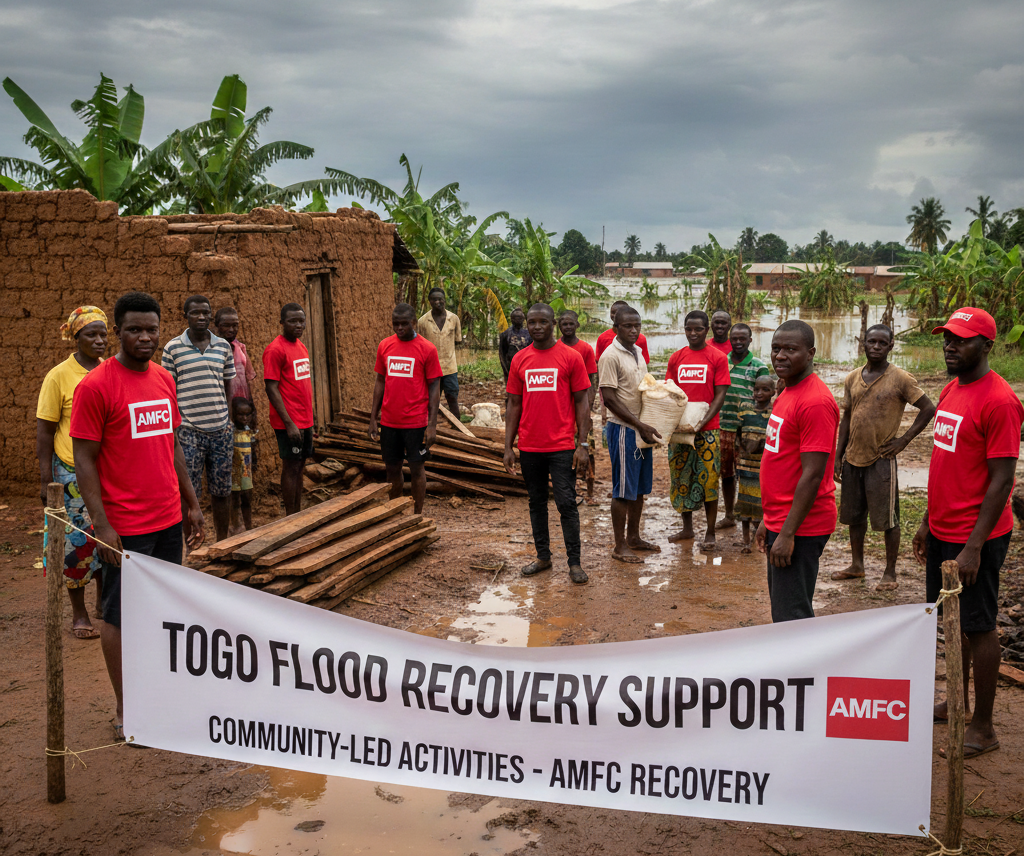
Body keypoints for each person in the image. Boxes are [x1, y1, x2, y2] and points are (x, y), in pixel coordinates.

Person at [70, 291, 205, 742]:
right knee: (119, 616)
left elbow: (173, 445)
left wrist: (191, 502)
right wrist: (102, 525)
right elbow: (84, 459)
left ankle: (162, 693)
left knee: (164, 611)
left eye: (151, 329)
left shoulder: (165, 380)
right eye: (134, 329)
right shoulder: (96, 387)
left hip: (167, 518)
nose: (144, 337)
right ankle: (127, 708)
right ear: (118, 332)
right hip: (124, 527)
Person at [912, 307, 1023, 760]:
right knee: (948, 619)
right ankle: (954, 700)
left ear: (987, 346)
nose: (950, 345)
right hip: (942, 529)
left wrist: (974, 546)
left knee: (978, 626)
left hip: (976, 538)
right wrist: (925, 520)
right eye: (947, 338)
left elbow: (1001, 481)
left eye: (961, 339)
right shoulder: (953, 388)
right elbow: (945, 463)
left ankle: (982, 725)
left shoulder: (1000, 401)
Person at [833, 324, 935, 590]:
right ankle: (857, 565)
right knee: (854, 517)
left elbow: (927, 408)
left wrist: (903, 440)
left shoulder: (900, 378)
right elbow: (847, 417)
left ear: (891, 346)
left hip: (881, 459)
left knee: (888, 519)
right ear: (863, 344)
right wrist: (838, 455)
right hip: (853, 458)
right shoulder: (853, 377)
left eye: (882, 343)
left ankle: (890, 572)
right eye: (871, 342)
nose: (876, 347)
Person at [755, 320, 839, 623]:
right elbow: (783, 460)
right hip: (782, 518)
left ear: (811, 352)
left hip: (803, 524)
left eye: (791, 349)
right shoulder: (788, 391)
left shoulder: (815, 401)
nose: (780, 356)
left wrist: (788, 532)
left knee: (793, 616)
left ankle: (804, 671)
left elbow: (813, 475)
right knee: (784, 610)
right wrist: (769, 519)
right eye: (776, 349)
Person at [504, 304, 592, 584]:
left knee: (567, 504)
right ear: (526, 325)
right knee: (536, 502)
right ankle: (543, 557)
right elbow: (514, 404)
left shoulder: (570, 357)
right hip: (530, 446)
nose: (537, 327)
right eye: (532, 322)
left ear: (554, 323)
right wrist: (508, 446)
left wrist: (583, 444)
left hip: (563, 446)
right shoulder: (520, 359)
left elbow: (582, 402)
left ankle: (574, 563)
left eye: (543, 322)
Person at [36, 306, 108, 639]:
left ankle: (103, 606)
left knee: (107, 542)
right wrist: (46, 479)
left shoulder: (110, 371)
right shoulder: (59, 376)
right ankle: (79, 614)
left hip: (108, 473)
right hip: (71, 476)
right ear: (75, 337)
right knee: (75, 547)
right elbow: (45, 431)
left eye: (103, 333)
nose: (99, 340)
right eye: (91, 334)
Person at [161, 295, 236, 542]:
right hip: (188, 431)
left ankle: (222, 542)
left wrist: (228, 420)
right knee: (188, 491)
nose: (201, 317)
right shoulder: (173, 348)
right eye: (195, 313)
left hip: (221, 430)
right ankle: (191, 543)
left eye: (205, 312)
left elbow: (228, 386)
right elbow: (168, 390)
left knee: (222, 491)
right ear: (186, 316)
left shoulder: (224, 347)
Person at [598, 306, 662, 563]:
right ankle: (619, 545)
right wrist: (639, 424)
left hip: (640, 428)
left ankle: (634, 537)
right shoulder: (610, 356)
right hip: (623, 429)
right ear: (616, 327)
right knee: (623, 489)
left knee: (638, 489)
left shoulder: (637, 352)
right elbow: (610, 399)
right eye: (627, 326)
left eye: (637, 325)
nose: (633, 330)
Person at [665, 310, 731, 549]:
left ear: (707, 330)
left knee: (709, 480)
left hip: (708, 430)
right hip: (680, 430)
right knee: (681, 476)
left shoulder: (717, 358)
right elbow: (670, 392)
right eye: (689, 329)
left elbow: (720, 394)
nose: (693, 333)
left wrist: (703, 422)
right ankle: (687, 528)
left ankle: (710, 532)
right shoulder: (676, 358)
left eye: (698, 329)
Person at [368, 303, 442, 514]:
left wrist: (432, 424)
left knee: (417, 468)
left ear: (414, 323)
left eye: (404, 324)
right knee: (392, 470)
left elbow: (435, 386)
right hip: (390, 422)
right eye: (395, 324)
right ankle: (396, 512)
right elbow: (380, 382)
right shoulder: (385, 346)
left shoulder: (427, 349)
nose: (399, 328)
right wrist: (374, 417)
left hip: (416, 423)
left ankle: (417, 515)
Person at [717, 322, 770, 531]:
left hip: (748, 430)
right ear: (730, 340)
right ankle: (730, 515)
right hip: (723, 426)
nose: (738, 342)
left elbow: (765, 396)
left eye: (742, 339)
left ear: (750, 340)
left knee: (752, 474)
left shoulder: (758, 366)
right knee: (727, 473)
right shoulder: (722, 362)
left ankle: (757, 518)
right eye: (735, 338)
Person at [264, 303, 314, 516]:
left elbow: (301, 387)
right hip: (289, 422)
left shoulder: (301, 346)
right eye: (293, 321)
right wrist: (289, 424)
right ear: (282, 322)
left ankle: (298, 514)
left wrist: (310, 420)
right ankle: (290, 517)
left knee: (300, 465)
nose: (298, 325)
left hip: (305, 420)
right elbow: (271, 388)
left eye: (301, 321)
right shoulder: (276, 349)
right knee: (291, 467)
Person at [558, 310, 600, 504]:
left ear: (577, 325)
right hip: (561, 409)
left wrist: (587, 409)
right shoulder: (554, 347)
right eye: (564, 324)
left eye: (570, 324)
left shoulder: (585, 349)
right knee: (564, 451)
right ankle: (570, 491)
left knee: (587, 449)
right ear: (559, 326)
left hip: (580, 406)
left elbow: (591, 382)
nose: (567, 327)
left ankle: (590, 492)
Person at [735, 375, 776, 553]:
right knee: (744, 503)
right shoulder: (744, 410)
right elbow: (737, 433)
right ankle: (746, 541)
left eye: (765, 390)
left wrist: (760, 446)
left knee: (761, 505)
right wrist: (740, 451)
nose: (759, 393)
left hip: (763, 468)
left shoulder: (774, 412)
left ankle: (760, 538)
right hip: (745, 465)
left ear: (773, 392)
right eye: (757, 389)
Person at [417, 287, 462, 417]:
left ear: (445, 301)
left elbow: (458, 340)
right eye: (434, 299)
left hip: (449, 366)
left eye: (440, 299)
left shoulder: (454, 319)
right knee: (431, 398)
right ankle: (429, 424)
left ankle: (457, 424)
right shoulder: (423, 322)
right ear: (429, 301)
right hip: (431, 367)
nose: (438, 302)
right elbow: (420, 345)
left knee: (452, 395)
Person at [213, 306, 257, 403]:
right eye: (226, 326)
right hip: (221, 405)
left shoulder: (240, 348)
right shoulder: (211, 351)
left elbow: (249, 379)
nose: (231, 329)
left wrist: (250, 404)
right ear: (217, 325)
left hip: (242, 405)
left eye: (235, 325)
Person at [230, 398, 257, 532]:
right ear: (234, 414)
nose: (245, 418)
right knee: (234, 498)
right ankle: (236, 525)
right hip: (233, 470)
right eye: (241, 415)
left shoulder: (249, 431)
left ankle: (249, 526)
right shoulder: (230, 431)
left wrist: (255, 463)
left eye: (248, 415)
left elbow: (253, 448)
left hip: (246, 470)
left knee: (247, 497)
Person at [498, 307, 531, 381]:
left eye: (519, 318)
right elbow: (502, 353)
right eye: (515, 318)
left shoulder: (529, 334)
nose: (517, 320)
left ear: (523, 319)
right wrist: (506, 370)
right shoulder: (506, 334)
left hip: (526, 366)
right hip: (511, 367)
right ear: (511, 319)